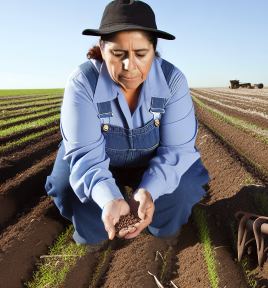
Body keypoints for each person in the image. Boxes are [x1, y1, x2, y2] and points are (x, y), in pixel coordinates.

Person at [44, 0, 210, 252]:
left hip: (151, 160)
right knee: (66, 182)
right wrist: (109, 197)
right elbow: (85, 155)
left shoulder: (173, 81)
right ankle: (94, 229)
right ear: (102, 47)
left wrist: (149, 191)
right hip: (102, 160)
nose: (129, 66)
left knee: (185, 184)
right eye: (118, 54)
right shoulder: (82, 83)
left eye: (141, 54)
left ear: (154, 49)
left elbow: (178, 150)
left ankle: (164, 226)